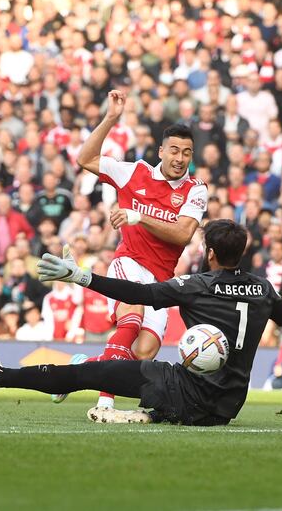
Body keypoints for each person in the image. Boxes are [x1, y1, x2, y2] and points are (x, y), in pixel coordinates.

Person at [0, 219, 282, 425]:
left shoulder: (196, 285)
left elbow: (137, 295)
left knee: (89, 375)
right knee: (108, 373)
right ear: (241, 253)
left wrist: (81, 276)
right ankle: (151, 415)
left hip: (184, 390)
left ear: (210, 252)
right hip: (228, 405)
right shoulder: (263, 290)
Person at [69, 90, 208, 412]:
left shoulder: (195, 189)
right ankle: (105, 404)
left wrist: (138, 216)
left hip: (161, 280)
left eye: (186, 152)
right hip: (129, 261)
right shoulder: (134, 172)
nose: (179, 158)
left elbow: (184, 233)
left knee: (143, 352)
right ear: (162, 150)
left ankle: (81, 369)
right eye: (174, 150)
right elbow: (85, 159)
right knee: (131, 316)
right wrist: (110, 119)